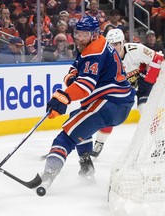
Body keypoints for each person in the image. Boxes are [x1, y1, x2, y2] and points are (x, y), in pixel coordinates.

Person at [36, 16, 135, 196]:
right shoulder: (95, 45)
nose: (79, 37)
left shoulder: (94, 51)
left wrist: (64, 97)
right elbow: (74, 72)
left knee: (64, 138)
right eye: (77, 33)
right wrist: (72, 79)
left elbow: (85, 86)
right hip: (119, 104)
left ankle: (48, 175)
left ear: (94, 34)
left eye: (84, 34)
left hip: (108, 104)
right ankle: (86, 166)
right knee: (76, 118)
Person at [91, 28, 164, 157]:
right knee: (110, 115)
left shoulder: (136, 49)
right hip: (122, 90)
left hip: (142, 86)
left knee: (145, 110)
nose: (113, 47)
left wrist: (149, 77)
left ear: (122, 43)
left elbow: (158, 58)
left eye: (116, 44)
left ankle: (160, 142)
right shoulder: (105, 59)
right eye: (110, 44)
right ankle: (99, 142)